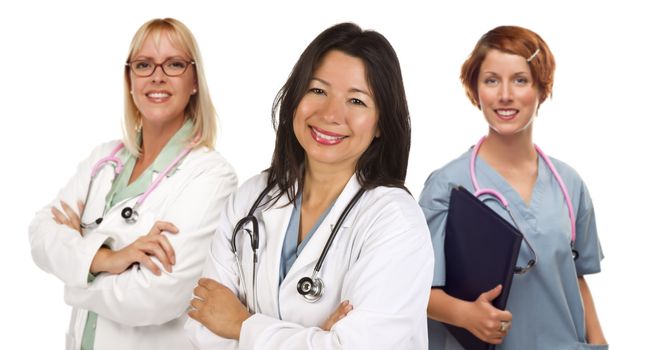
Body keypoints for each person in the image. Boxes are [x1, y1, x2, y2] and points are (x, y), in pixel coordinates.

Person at [185, 22, 434, 349]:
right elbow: (201, 328)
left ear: (380, 125)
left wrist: (240, 324)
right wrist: (317, 339)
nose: (331, 114)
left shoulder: (395, 222)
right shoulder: (251, 198)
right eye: (317, 90)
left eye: (356, 101)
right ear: (295, 98)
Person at [28, 18, 237, 350]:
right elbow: (40, 234)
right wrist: (107, 259)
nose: (157, 76)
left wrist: (74, 270)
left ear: (194, 80)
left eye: (174, 64)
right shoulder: (103, 161)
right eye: (143, 65)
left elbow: (156, 297)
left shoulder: (210, 176)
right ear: (129, 79)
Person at [420, 25, 607, 349]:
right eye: (491, 80)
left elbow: (575, 275)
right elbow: (412, 289)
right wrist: (465, 315)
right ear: (475, 89)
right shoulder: (447, 186)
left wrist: (600, 343)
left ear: (541, 88)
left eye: (520, 80)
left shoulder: (569, 184)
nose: (505, 94)